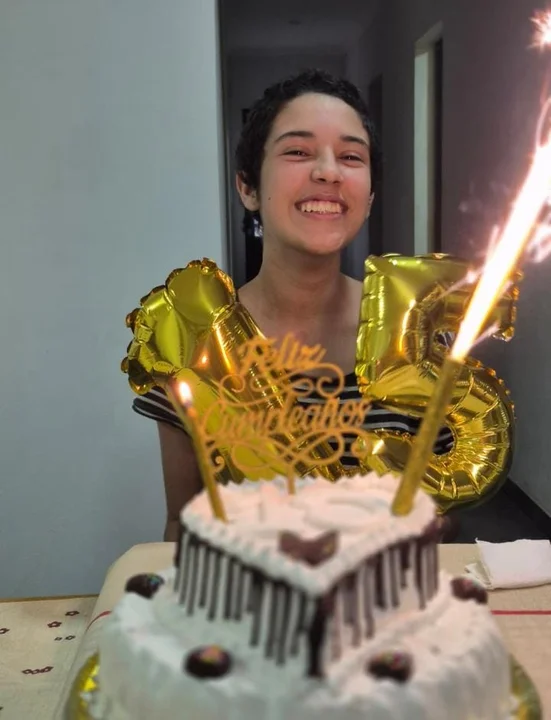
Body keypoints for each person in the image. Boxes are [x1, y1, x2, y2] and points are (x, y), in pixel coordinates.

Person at [132, 69, 452, 541]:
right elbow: (184, 522)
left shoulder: (417, 337)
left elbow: (442, 514)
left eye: (351, 156)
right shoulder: (192, 344)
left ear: (369, 197)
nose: (328, 172)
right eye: (298, 151)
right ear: (247, 187)